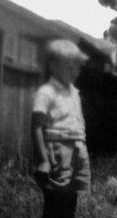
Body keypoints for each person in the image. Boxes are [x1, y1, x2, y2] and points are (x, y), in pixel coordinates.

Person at [32, 39, 91, 218]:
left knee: (71, 198)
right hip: (59, 148)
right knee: (56, 198)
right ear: (53, 66)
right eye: (69, 67)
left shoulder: (73, 92)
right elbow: (36, 127)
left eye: (77, 68)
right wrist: (43, 160)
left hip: (78, 148)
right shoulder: (46, 92)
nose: (75, 72)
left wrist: (80, 149)